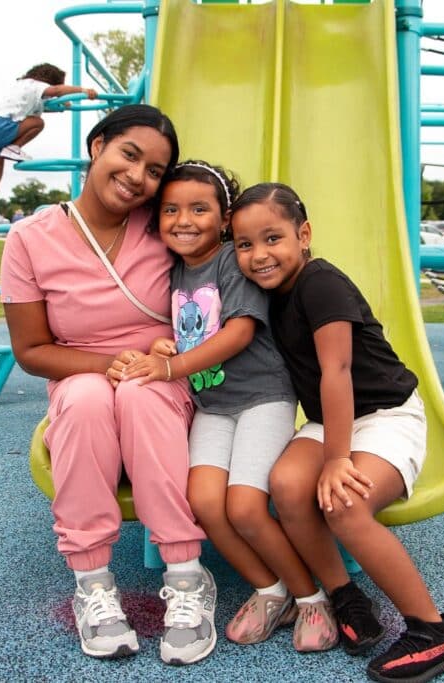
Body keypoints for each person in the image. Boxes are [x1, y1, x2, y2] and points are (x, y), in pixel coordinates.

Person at [0, 105, 217, 666]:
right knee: (85, 396)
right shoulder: (29, 239)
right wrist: (103, 365)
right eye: (129, 155)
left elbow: (217, 275)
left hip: (162, 381)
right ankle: (93, 583)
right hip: (82, 382)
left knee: (142, 394)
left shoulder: (165, 225)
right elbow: (30, 351)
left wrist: (169, 349)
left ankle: (188, 577)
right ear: (98, 146)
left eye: (154, 170)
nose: (138, 176)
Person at [229, 182, 444, 683]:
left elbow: (337, 373)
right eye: (244, 245)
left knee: (344, 503)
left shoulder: (320, 283)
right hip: (328, 420)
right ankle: (345, 596)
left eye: (273, 238)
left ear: (305, 234)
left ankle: (431, 631)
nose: (259, 255)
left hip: (385, 416)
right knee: (289, 486)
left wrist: (338, 458)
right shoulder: (266, 293)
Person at [120, 162, 337, 652]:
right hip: (213, 405)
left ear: (223, 220)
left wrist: (171, 370)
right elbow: (182, 329)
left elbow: (238, 331)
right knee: (203, 504)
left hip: (263, 397)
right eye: (171, 210)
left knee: (244, 505)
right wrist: (162, 346)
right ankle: (271, 590)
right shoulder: (173, 271)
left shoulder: (228, 262)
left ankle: (312, 596)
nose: (184, 219)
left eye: (200, 209)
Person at [0, 63, 98, 225]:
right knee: (37, 123)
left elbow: (46, 105)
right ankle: (14, 148)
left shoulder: (24, 87)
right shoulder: (36, 85)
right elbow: (55, 91)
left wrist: (62, 105)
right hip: (3, 126)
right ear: (51, 81)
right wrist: (83, 90)